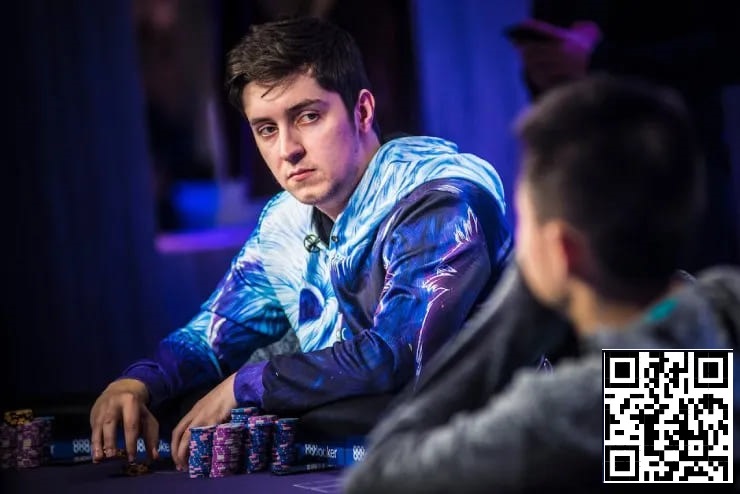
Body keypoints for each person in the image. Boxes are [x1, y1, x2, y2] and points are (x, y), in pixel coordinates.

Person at [88, 16, 513, 470]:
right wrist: (139, 383)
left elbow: (397, 354)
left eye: (308, 116)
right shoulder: (285, 221)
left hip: (498, 454)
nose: (287, 149)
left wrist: (245, 384)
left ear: (362, 111)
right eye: (266, 129)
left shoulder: (442, 198)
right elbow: (214, 333)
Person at [341, 75, 740, 493]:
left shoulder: (570, 413)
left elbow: (377, 478)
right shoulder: (722, 304)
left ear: (562, 250)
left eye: (526, 221)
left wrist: (522, 301)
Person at [507, 0, 740, 273]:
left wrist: (600, 59)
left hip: (672, 169)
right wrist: (547, 68)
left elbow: (726, 50)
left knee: (688, 286)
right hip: (584, 170)